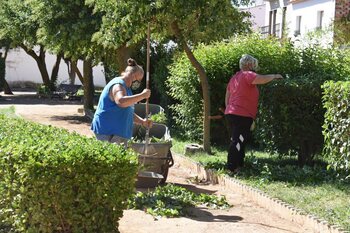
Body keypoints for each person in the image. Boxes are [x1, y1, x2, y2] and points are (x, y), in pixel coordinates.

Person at [225, 54, 283, 173]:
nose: (255, 66)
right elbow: (261, 79)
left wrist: (230, 109)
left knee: (240, 140)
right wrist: (275, 76)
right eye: (253, 64)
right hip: (242, 114)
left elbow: (227, 96)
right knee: (238, 140)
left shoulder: (235, 77)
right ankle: (231, 167)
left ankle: (238, 165)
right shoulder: (247, 74)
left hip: (232, 113)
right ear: (249, 64)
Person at [91, 58, 152, 148]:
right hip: (107, 131)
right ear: (132, 75)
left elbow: (128, 110)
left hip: (118, 132)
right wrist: (142, 95)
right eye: (139, 80)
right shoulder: (118, 85)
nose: (138, 83)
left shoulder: (127, 89)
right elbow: (121, 101)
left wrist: (142, 122)